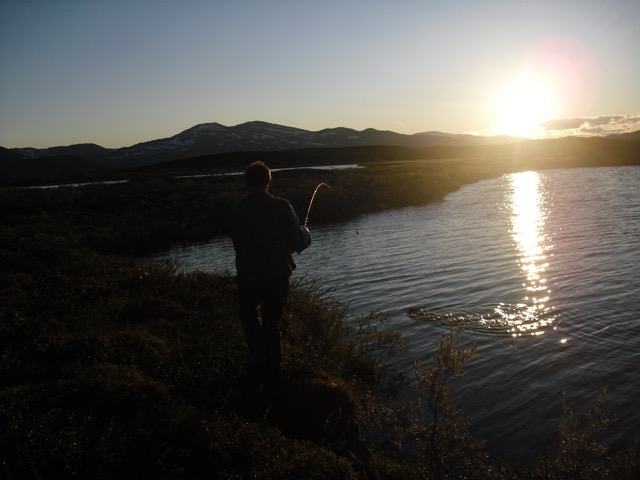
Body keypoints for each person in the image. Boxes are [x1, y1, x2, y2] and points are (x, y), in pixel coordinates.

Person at [227, 161, 312, 395]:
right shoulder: (283, 207)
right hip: (277, 276)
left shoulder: (235, 211)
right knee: (272, 325)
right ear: (268, 182)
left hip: (246, 278)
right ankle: (275, 379)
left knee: (251, 322)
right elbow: (299, 244)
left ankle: (257, 368)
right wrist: (306, 234)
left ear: (247, 183)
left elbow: (239, 243)